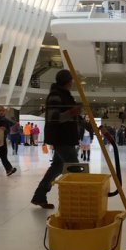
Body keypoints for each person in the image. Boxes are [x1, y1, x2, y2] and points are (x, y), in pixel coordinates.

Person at [31, 69, 81, 209]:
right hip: (62, 138)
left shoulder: (64, 95)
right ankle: (78, 201)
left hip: (65, 137)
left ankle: (39, 196)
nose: (72, 82)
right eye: (71, 79)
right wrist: (72, 112)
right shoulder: (56, 95)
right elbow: (54, 118)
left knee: (56, 168)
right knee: (74, 168)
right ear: (68, 81)